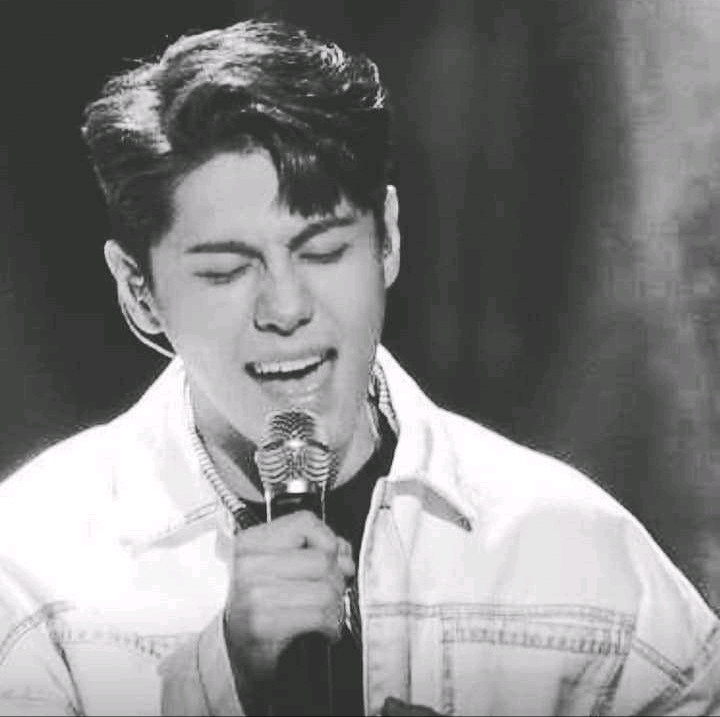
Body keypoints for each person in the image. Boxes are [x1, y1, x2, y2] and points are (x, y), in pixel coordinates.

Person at [0, 18, 719, 717]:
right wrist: (219, 682)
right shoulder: (34, 562)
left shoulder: (570, 550)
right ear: (138, 290)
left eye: (323, 252)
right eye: (225, 271)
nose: (286, 308)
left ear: (389, 241)